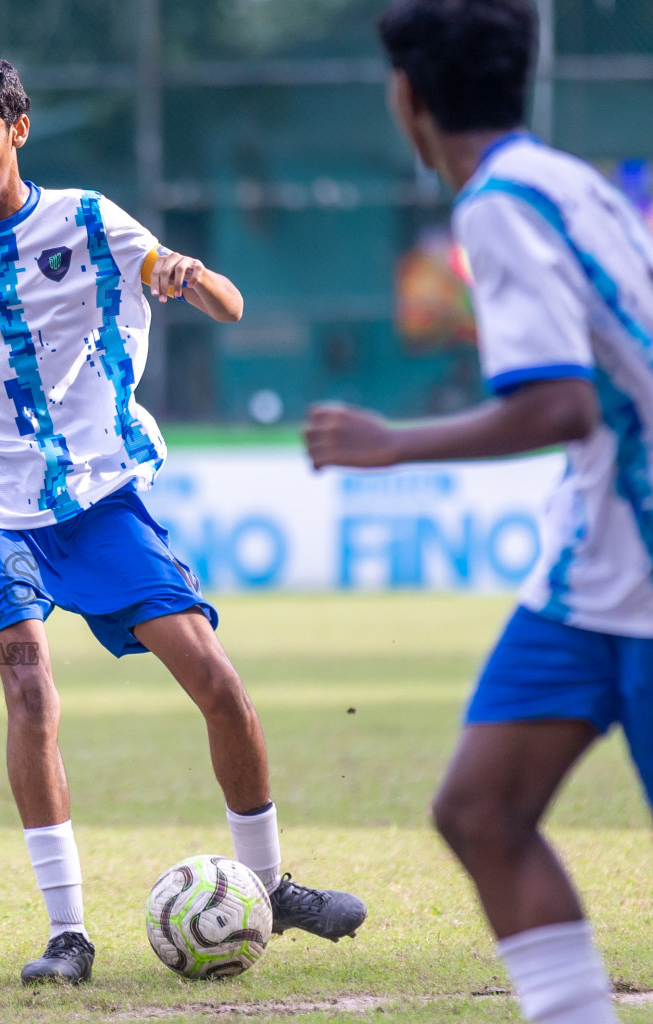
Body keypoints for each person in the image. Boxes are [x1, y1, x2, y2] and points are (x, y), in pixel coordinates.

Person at [0, 51, 367, 986]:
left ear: (18, 130)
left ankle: (270, 886)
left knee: (217, 683)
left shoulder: (90, 220)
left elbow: (228, 304)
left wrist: (186, 276)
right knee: (29, 690)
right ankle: (67, 934)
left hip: (101, 496)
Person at [305, 2, 652, 1021]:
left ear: (407, 97)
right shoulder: (565, 178)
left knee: (484, 811)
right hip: (595, 571)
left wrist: (391, 443)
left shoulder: (499, 203)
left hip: (641, 563)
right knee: (481, 808)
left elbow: (563, 402)